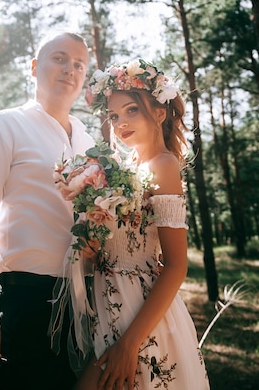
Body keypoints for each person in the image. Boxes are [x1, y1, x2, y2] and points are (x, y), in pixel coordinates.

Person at [0, 32, 95, 390]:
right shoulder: (4, 126)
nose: (70, 69)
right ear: (35, 67)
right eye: (59, 58)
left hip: (90, 301)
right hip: (28, 299)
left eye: (79, 64)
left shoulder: (90, 142)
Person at [71, 59, 210, 389]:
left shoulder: (163, 166)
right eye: (114, 115)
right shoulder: (122, 169)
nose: (120, 123)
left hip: (141, 318)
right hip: (106, 309)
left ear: (159, 113)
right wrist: (91, 247)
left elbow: (176, 266)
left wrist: (130, 343)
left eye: (131, 110)